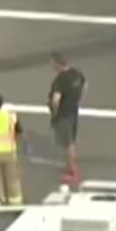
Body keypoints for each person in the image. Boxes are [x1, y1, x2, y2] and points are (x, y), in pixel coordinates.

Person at [47, 51, 87, 185]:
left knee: (67, 144)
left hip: (63, 115)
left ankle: (73, 172)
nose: (51, 65)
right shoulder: (76, 74)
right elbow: (85, 85)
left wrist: (54, 113)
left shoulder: (60, 80)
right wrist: (77, 99)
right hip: (73, 112)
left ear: (58, 63)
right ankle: (70, 166)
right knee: (71, 142)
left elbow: (56, 100)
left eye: (52, 62)